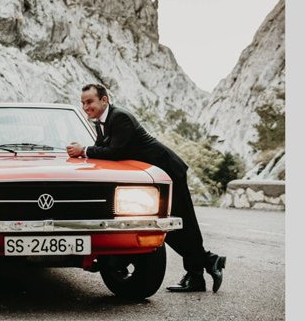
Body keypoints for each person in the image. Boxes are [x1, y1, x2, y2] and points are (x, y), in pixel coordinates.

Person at [66, 83, 226, 293]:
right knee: (172, 227)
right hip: (153, 177)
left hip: (167, 171)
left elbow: (114, 152)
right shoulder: (100, 122)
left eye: (90, 102)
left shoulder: (119, 117)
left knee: (180, 224)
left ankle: (204, 266)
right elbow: (104, 150)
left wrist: (83, 150)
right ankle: (202, 269)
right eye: (83, 103)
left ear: (104, 100)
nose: (85, 107)